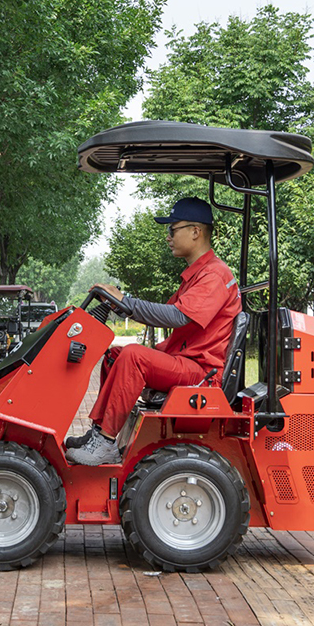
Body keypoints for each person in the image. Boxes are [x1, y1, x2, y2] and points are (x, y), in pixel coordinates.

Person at [65, 196, 241, 466]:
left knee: (134, 356)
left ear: (195, 231)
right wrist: (121, 304)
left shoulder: (214, 275)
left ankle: (106, 442)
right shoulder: (197, 275)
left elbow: (177, 317)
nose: (168, 237)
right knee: (114, 356)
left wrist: (127, 302)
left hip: (202, 372)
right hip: (185, 362)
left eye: (172, 229)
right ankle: (99, 434)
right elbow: (163, 313)